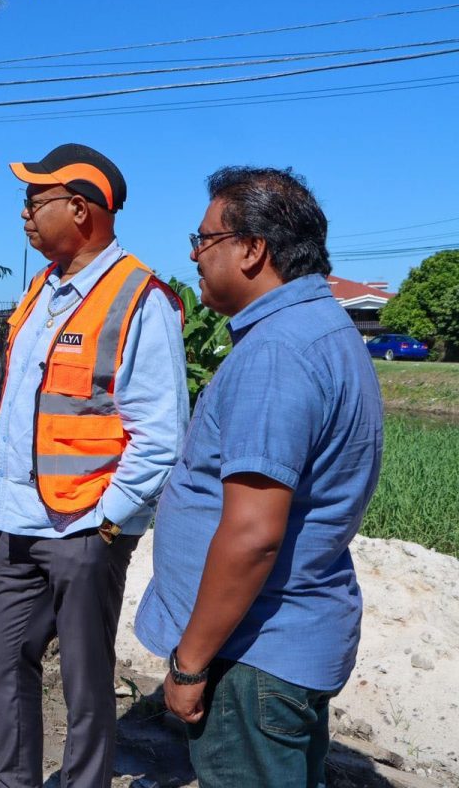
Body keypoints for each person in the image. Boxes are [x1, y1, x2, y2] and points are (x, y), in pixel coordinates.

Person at [134, 167, 384, 788]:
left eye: (204, 238)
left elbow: (252, 536)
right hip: (279, 647)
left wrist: (190, 665)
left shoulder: (276, 353)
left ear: (252, 250)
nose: (193, 254)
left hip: (251, 657)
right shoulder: (322, 332)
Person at [0, 143, 188, 788]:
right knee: (4, 655)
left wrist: (106, 523)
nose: (22, 214)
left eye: (33, 201)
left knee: (85, 677)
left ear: (79, 208)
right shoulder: (42, 291)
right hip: (18, 519)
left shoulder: (139, 299)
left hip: (85, 525)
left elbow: (161, 435)